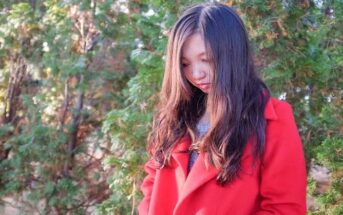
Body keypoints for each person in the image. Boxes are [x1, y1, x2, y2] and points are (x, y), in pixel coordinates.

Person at [138, 2, 307, 215]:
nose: (196, 73)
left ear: (232, 54)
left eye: (206, 59)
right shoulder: (175, 117)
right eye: (185, 64)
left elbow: (284, 209)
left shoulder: (272, 119)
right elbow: (153, 181)